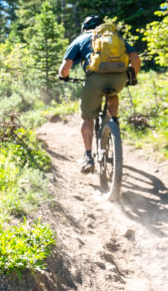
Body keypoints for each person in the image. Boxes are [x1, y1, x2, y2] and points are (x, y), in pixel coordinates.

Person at [58, 15, 141, 173]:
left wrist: (63, 76)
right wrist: (133, 77)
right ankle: (114, 125)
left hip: (95, 81)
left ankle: (88, 157)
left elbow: (65, 68)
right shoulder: (115, 37)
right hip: (119, 79)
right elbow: (135, 59)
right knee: (113, 93)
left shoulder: (81, 39)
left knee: (87, 118)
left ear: (84, 27)